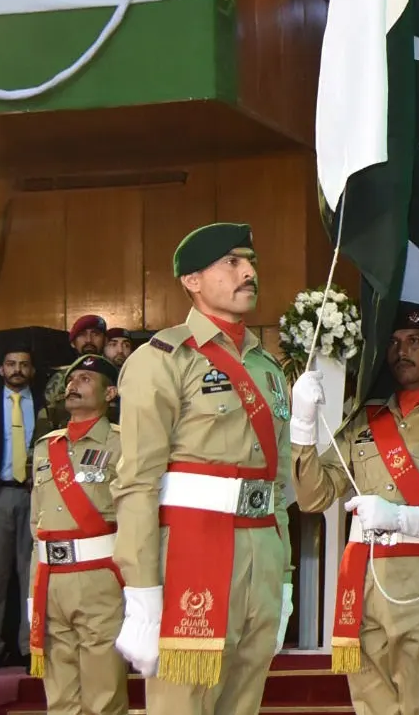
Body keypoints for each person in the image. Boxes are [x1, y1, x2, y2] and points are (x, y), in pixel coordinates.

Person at [112, 222, 295, 714]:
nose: (249, 272)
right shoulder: (164, 359)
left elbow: (276, 485)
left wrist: (285, 576)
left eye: (250, 262)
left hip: (260, 556)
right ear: (192, 280)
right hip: (193, 556)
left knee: (244, 704)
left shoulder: (267, 368)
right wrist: (143, 594)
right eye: (232, 263)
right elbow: (136, 484)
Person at [289, 304, 419, 715]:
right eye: (395, 342)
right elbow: (314, 497)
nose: (402, 350)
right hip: (361, 578)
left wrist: (407, 517)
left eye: (415, 341)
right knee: (371, 704)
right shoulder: (363, 421)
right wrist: (303, 427)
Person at [28, 354, 127, 714]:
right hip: (51, 580)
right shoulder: (45, 447)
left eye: (86, 379)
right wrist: (32, 591)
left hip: (100, 577)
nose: (73, 385)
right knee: (59, 697)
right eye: (72, 379)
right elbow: (34, 527)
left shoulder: (122, 443)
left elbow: (137, 516)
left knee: (104, 694)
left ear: (110, 392)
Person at [0, 347, 49, 670]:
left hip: (37, 497)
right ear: (1, 370)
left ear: (32, 371)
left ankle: (29, 646)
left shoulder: (49, 407)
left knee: (31, 577)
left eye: (24, 365)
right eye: (11, 364)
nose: (17, 370)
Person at [46, 315, 108, 430]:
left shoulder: (116, 376)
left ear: (105, 340)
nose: (89, 340)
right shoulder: (59, 379)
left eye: (95, 334)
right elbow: (46, 420)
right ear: (73, 343)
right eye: (82, 334)